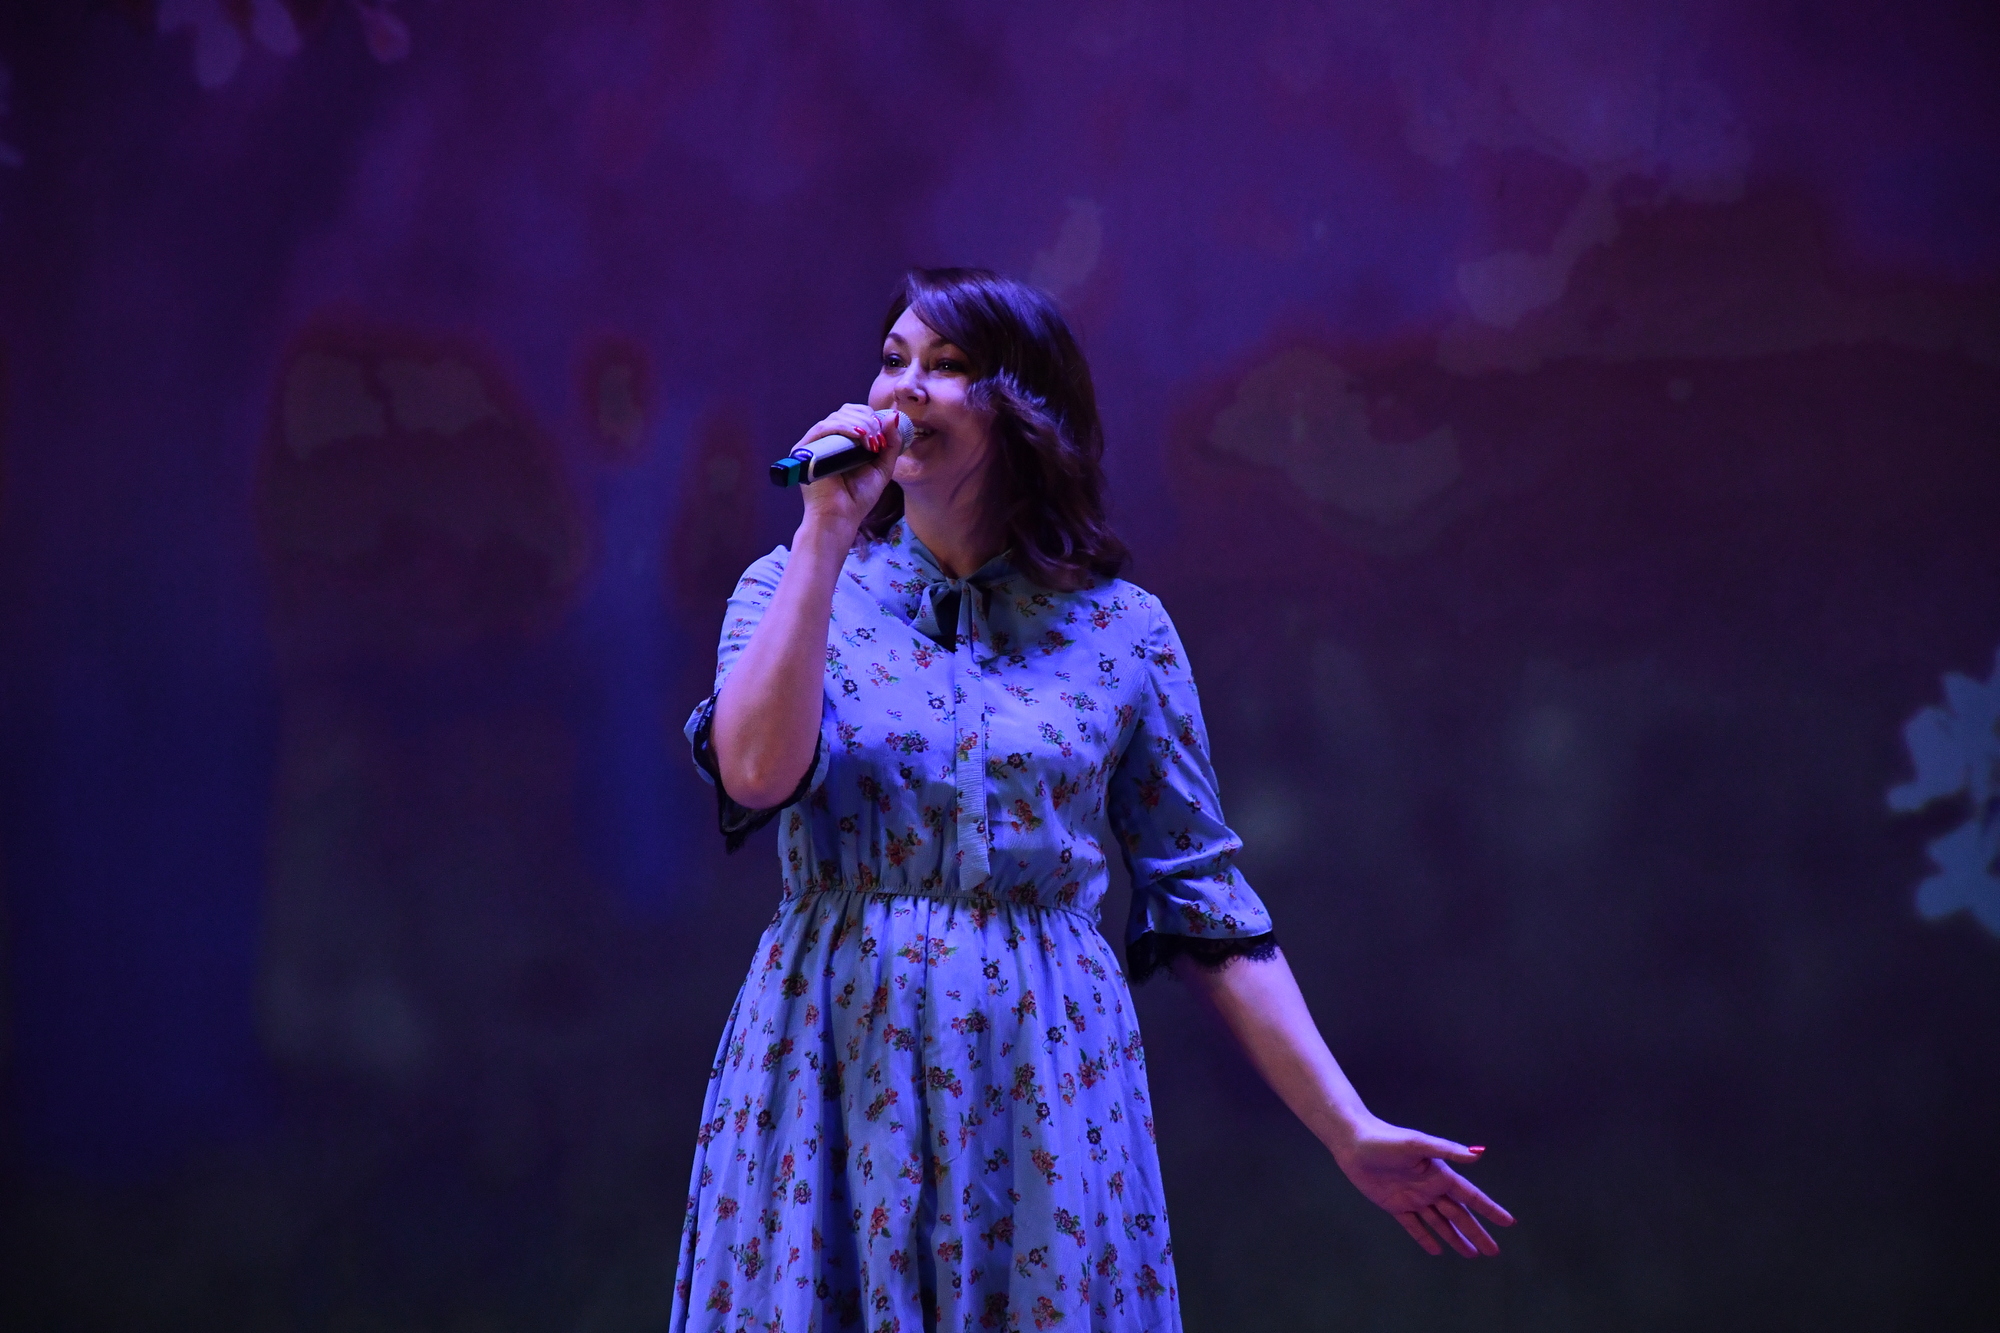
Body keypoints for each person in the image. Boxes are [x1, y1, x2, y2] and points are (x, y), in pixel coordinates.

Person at [671, 268, 1511, 1332]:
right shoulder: (793, 581)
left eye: (948, 365)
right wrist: (825, 533)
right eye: (892, 360)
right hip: (835, 1055)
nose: (904, 387)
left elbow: (1202, 902)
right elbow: (755, 773)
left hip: (1038, 1075)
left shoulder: (1121, 631)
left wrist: (1345, 1125)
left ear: (1025, 409)